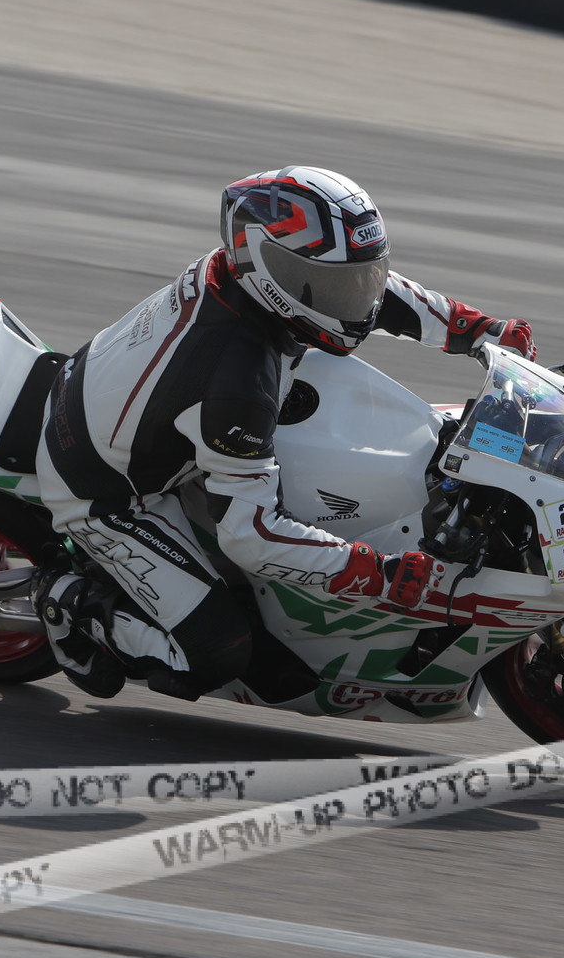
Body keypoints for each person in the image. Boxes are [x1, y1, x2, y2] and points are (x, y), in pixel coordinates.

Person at [31, 166, 535, 699]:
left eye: (361, 274)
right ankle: (71, 603)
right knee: (217, 651)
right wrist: (377, 572)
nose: (357, 298)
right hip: (108, 495)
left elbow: (372, 292)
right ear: (272, 270)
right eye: (335, 284)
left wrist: (478, 330)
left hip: (123, 402)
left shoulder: (245, 277)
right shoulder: (235, 377)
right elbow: (250, 534)